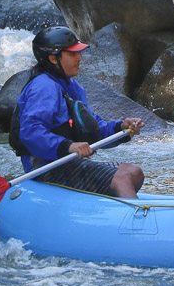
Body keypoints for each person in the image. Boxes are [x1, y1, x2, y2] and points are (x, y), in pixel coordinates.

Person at [9, 26, 145, 198]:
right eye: (72, 54)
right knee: (122, 177)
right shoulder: (43, 86)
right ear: (53, 58)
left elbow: (93, 130)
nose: (79, 58)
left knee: (134, 172)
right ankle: (134, 221)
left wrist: (121, 128)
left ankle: (109, 213)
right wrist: (68, 146)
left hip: (68, 164)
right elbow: (30, 132)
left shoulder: (72, 87)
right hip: (45, 167)